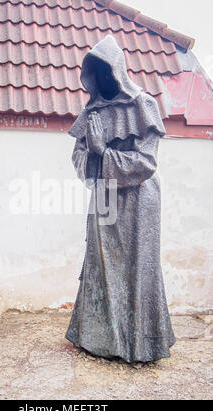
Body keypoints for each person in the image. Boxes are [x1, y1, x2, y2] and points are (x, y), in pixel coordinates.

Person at [65, 35, 176, 363]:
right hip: (105, 202)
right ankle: (98, 338)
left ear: (116, 71)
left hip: (139, 202)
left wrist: (105, 152)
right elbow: (79, 157)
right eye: (94, 73)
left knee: (137, 270)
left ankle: (140, 343)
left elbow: (145, 163)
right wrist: (94, 154)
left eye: (104, 71)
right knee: (101, 268)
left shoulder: (143, 105)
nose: (100, 79)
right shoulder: (92, 112)